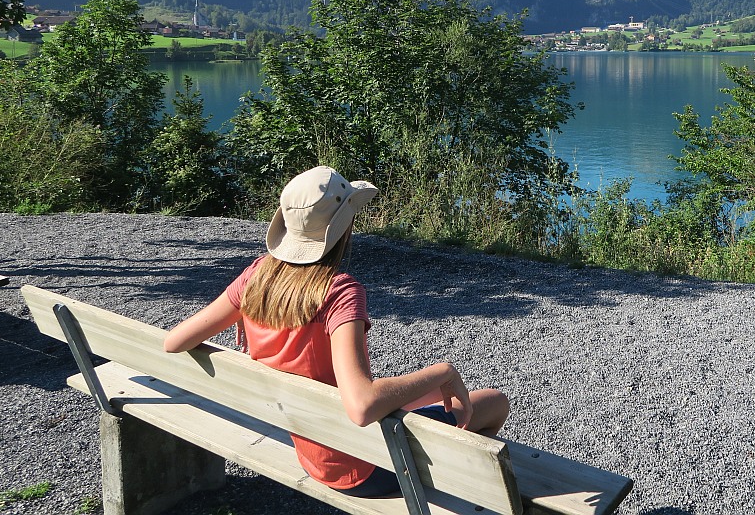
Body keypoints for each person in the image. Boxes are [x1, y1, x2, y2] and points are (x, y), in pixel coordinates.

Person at [164, 165, 509, 497]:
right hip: (361, 466)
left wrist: (245, 314)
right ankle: (462, 498)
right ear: (343, 227)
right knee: (493, 402)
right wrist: (443, 372)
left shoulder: (257, 277)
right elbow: (362, 406)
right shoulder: (339, 292)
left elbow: (175, 341)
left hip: (310, 448)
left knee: (432, 397)